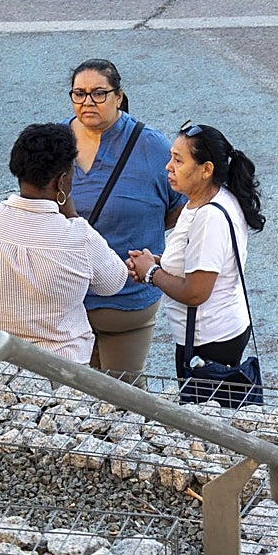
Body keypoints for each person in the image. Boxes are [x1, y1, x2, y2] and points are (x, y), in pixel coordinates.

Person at [0, 123, 128, 361]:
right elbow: (113, 282)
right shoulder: (79, 237)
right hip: (59, 374)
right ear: (62, 180)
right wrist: (72, 215)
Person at [64, 59, 184, 383]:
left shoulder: (153, 147)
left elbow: (179, 206)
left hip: (127, 301)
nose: (87, 102)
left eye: (99, 93)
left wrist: (143, 228)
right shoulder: (56, 141)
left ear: (119, 97)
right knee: (73, 398)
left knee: (124, 396)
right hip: (67, 298)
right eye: (79, 93)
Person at [126, 123, 264, 386]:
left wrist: (151, 273)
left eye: (178, 160)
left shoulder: (209, 217)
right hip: (216, 334)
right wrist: (153, 262)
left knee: (202, 419)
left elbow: (196, 292)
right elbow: (199, 261)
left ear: (206, 170)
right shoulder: (210, 200)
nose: (168, 166)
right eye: (170, 157)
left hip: (209, 343)